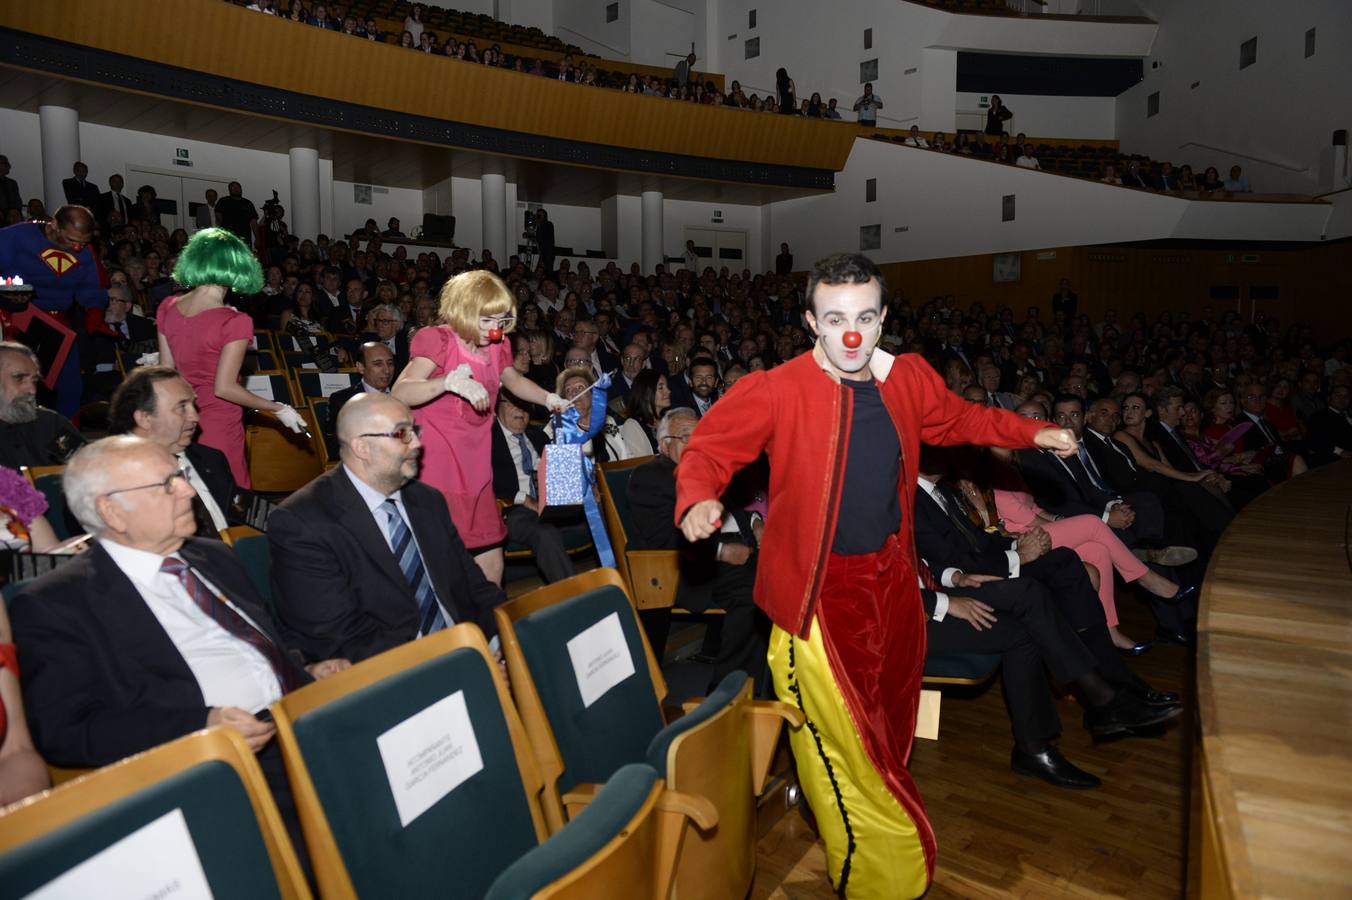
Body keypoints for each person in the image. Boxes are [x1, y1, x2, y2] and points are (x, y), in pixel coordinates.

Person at [675, 253, 1077, 899]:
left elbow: (963, 420)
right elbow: (709, 448)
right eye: (835, 319)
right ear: (812, 322)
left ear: (883, 317)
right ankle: (878, 876)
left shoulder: (906, 377)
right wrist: (698, 498)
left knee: (886, 729)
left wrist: (1034, 432)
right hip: (816, 594)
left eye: (864, 317)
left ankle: (870, 857)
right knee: (846, 743)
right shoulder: (777, 388)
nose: (851, 333)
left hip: (889, 582)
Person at [11, 436, 349, 863]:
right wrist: (199, 726)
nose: (188, 490)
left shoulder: (213, 557)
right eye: (167, 484)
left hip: (303, 723)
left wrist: (306, 669)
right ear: (111, 511)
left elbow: (260, 647)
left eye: (181, 476)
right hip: (212, 768)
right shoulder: (57, 603)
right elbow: (67, 731)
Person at [268, 393, 507, 664]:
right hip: (398, 670)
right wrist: (460, 664)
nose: (417, 443)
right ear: (362, 447)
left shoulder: (427, 500)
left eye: (414, 431)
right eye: (402, 433)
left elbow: (475, 587)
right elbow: (339, 638)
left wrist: (505, 639)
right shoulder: (303, 522)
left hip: (469, 650)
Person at [392, 270, 567, 586]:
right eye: (486, 320)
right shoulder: (439, 339)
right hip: (438, 469)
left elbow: (512, 380)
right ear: (463, 311)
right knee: (443, 566)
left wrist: (549, 398)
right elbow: (400, 392)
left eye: (501, 320)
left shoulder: (497, 343)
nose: (494, 329)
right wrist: (447, 382)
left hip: (477, 469)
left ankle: (488, 619)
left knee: (491, 562)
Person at [156, 228, 308, 487]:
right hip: (218, 422)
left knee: (190, 493)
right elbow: (224, 388)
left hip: (181, 417)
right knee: (230, 497)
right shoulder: (235, 321)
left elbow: (165, 372)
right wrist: (278, 408)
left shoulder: (168, 306)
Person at [629, 407, 766, 690]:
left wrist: (755, 522)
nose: (696, 444)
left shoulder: (707, 469)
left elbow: (737, 508)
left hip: (739, 549)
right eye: (686, 437)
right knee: (752, 591)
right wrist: (721, 552)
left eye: (700, 437)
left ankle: (767, 682)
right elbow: (662, 538)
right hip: (691, 567)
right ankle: (728, 691)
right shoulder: (650, 476)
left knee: (786, 575)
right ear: (664, 444)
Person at [109, 366, 251, 539]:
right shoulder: (116, 475)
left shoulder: (212, 459)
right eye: (182, 407)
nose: (195, 417)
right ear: (145, 418)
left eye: (193, 405)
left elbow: (241, 520)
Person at [0, 205, 107, 415]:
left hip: (58, 324)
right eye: (72, 240)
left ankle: (65, 434)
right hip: (18, 321)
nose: (77, 247)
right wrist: (9, 292)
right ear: (55, 225)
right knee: (17, 384)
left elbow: (91, 285)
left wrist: (94, 311)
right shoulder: (15, 237)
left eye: (83, 242)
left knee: (71, 387)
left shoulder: (85, 250)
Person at [490, 391, 577, 584]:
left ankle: (616, 582)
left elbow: (561, 477)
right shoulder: (488, 440)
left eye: (525, 405)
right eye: (512, 403)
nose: (520, 410)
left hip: (551, 507)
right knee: (545, 532)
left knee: (600, 511)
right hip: (512, 510)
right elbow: (483, 480)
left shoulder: (539, 437)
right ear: (496, 408)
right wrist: (524, 499)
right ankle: (574, 592)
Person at [0, 342, 85, 470]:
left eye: (34, 381)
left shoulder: (51, 425)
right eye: (19, 378)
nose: (32, 390)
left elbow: (89, 468)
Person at [328, 341, 395, 435]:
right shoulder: (342, 401)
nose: (387, 370)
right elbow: (336, 441)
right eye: (378, 364)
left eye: (390, 363)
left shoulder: (404, 396)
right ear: (361, 367)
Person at [619, 369, 670, 457]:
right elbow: (643, 462)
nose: (668, 391)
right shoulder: (633, 426)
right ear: (646, 393)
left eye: (667, 387)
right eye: (661, 388)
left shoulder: (670, 419)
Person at [213, 181, 259, 248]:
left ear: (241, 189)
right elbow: (217, 215)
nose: (236, 189)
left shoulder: (248, 203)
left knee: (244, 254)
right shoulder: (223, 201)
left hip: (244, 237)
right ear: (229, 190)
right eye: (233, 187)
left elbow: (253, 222)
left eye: (238, 187)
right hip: (227, 237)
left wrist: (257, 238)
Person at [534, 208, 556, 275]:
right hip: (542, 253)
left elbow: (546, 238)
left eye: (541, 215)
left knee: (547, 271)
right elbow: (538, 238)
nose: (539, 216)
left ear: (545, 216)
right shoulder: (539, 225)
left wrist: (539, 225)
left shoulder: (549, 224)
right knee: (541, 271)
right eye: (538, 215)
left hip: (548, 253)